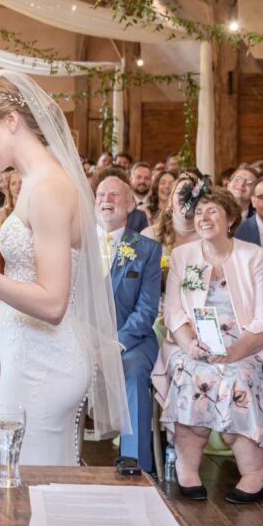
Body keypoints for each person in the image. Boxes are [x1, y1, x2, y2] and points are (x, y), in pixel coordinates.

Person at [0, 71, 128, 465]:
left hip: (45, 367)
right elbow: (26, 275)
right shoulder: (34, 180)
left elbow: (53, 303)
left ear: (11, 121)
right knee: (24, 492)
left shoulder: (50, 187)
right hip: (28, 357)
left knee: (32, 495)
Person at [153, 185, 263, 504]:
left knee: (236, 378)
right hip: (193, 344)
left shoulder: (251, 255)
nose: (204, 217)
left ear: (230, 218)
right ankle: (188, 467)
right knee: (189, 373)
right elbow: (173, 310)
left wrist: (233, 353)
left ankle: (255, 472)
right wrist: (189, 344)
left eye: (212, 211)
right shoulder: (184, 255)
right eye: (199, 212)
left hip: (245, 346)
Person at [95, 174, 162, 473]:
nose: (105, 200)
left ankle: (135, 466)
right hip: (84, 338)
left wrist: (115, 343)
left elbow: (147, 310)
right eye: (100, 195)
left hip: (131, 340)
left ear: (131, 204)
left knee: (134, 370)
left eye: (114, 195)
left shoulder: (145, 248)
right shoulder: (77, 246)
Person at [143, 173, 202, 256]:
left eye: (192, 194)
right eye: (180, 192)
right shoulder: (149, 235)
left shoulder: (210, 237)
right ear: (171, 201)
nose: (186, 197)